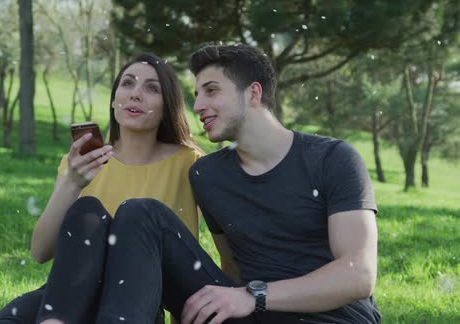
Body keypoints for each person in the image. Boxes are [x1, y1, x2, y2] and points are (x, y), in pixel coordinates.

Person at [90, 44, 381, 324]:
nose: (198, 105)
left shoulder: (333, 158)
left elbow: (358, 275)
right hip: (248, 315)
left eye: (212, 91)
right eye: (197, 94)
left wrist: (255, 296)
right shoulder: (207, 175)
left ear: (253, 93)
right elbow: (231, 267)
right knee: (140, 213)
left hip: (330, 318)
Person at [0, 53, 202, 324]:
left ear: (168, 105)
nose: (136, 94)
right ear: (114, 99)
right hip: (71, 295)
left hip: (136, 300)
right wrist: (72, 182)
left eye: (152, 88)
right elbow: (40, 251)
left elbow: (187, 262)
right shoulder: (82, 163)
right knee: (12, 318)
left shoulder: (190, 163)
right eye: (128, 83)